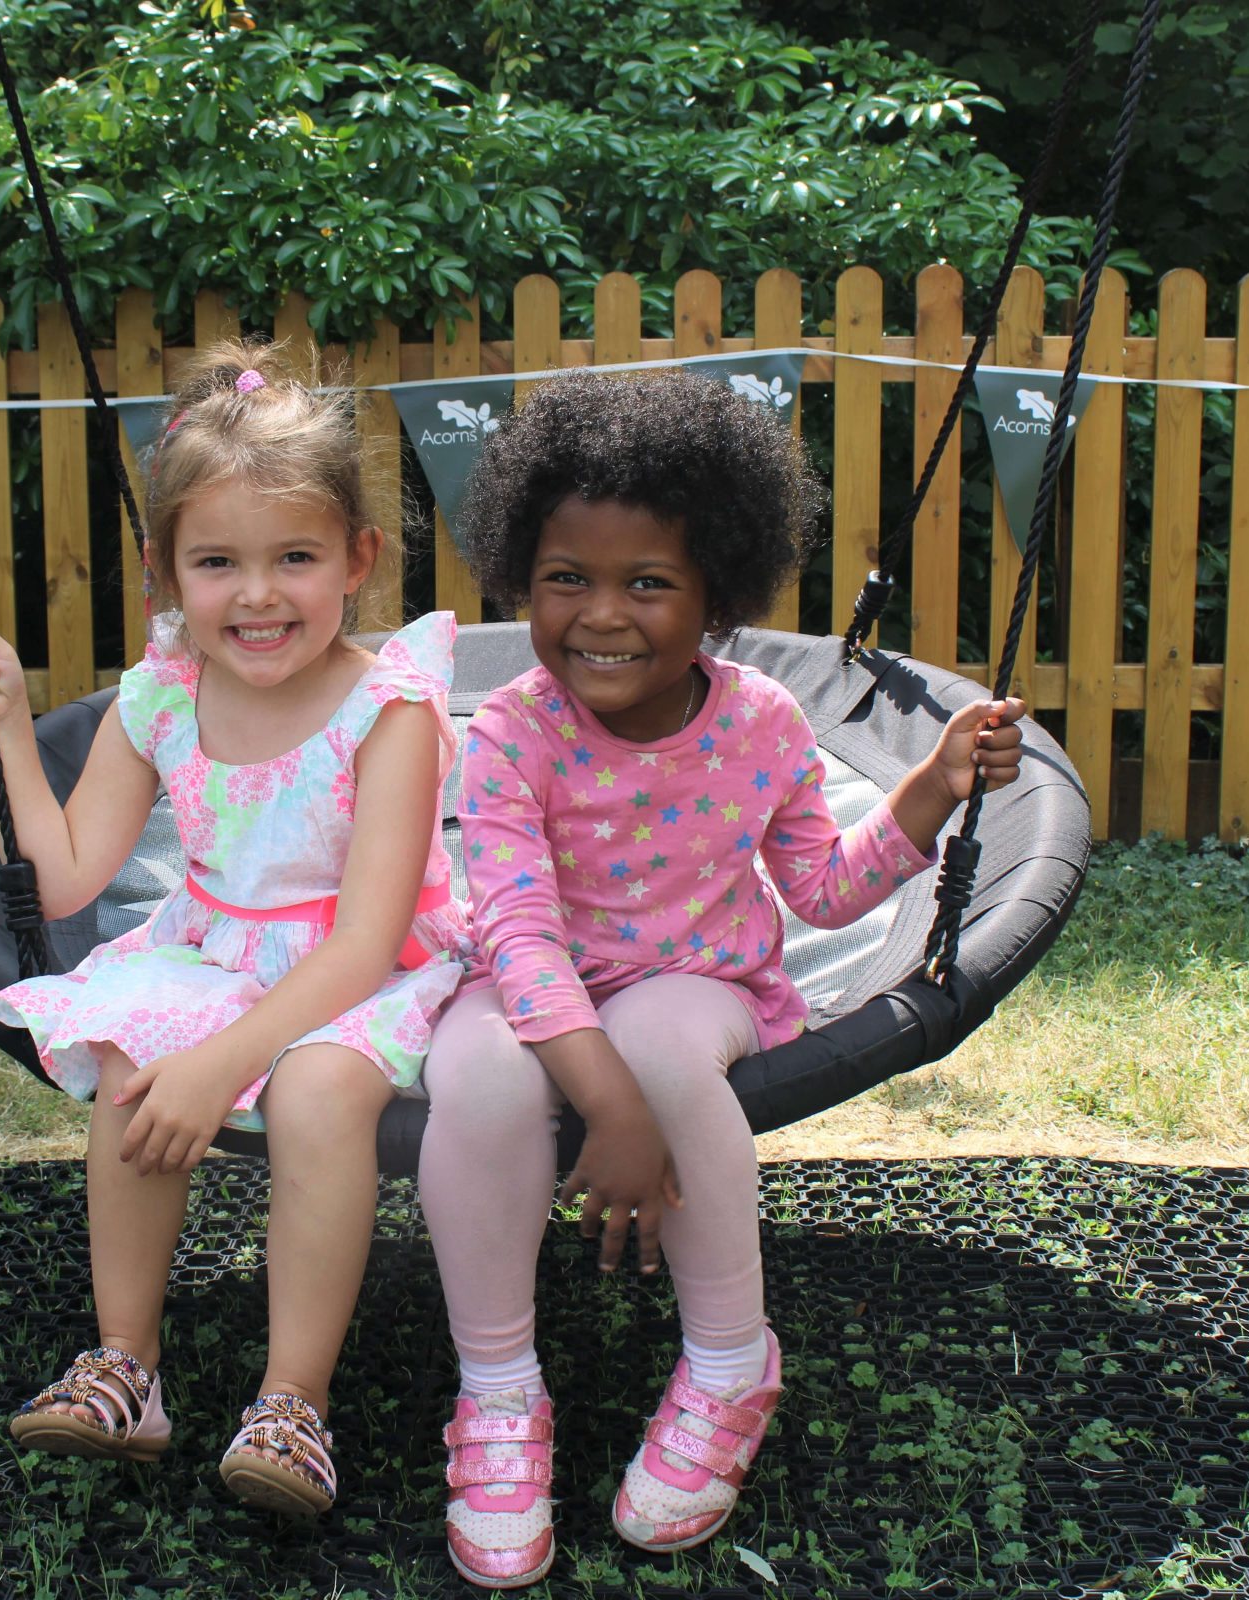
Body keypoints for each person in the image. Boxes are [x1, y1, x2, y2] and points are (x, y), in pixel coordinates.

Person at [417, 370, 1027, 1586]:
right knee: (473, 1069)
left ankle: (730, 1357)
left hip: (694, 978)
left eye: (648, 582)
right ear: (516, 579)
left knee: (653, 1041)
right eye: (565, 578)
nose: (603, 613)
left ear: (715, 599)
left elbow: (824, 889)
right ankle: (496, 1392)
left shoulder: (757, 724)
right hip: (538, 977)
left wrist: (933, 787)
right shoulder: (509, 734)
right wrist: (606, 1110)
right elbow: (523, 938)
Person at [0, 341, 469, 1517]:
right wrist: (11, 723)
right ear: (165, 573)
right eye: (218, 562)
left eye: (295, 557)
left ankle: (294, 1401)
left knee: (317, 1095)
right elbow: (69, 877)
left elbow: (369, 938)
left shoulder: (389, 707)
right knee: (132, 1059)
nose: (259, 593)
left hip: (362, 967)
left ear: (358, 560)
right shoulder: (163, 691)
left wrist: (223, 1061)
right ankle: (127, 1365)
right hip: (216, 947)